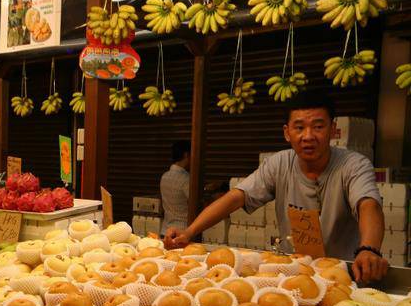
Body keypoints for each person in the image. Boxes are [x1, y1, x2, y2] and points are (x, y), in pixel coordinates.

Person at [165, 91, 388, 284]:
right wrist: (190, 231)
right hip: (293, 273)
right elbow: (236, 197)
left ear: (332, 130)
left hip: (344, 275)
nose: (308, 136)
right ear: (287, 132)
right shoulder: (280, 163)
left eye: (318, 127)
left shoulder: (354, 164)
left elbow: (368, 204)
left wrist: (368, 249)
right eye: (299, 127)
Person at [160, 140, 191, 235]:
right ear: (186, 155)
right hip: (181, 232)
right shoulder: (186, 179)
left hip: (165, 230)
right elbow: (194, 203)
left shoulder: (164, 176)